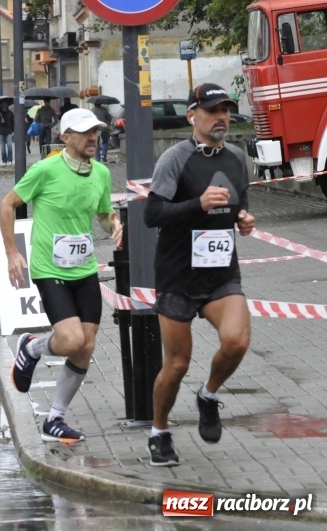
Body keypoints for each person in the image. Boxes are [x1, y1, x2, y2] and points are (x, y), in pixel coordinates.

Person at [143, 83, 255, 467]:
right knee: (176, 364)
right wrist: (197, 204)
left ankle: (208, 396)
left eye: (225, 110)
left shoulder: (239, 158)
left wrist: (243, 219)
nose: (220, 117)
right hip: (178, 276)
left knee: (237, 341)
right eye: (211, 110)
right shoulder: (175, 159)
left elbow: (240, 204)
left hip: (221, 275)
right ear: (193, 115)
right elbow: (152, 215)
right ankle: (159, 431)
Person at [0, 108, 122, 443]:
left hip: (83, 268)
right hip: (49, 268)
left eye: (96, 132)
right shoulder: (45, 170)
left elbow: (102, 212)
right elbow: (8, 204)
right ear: (65, 138)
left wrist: (113, 223)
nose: (93, 138)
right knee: (70, 341)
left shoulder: (100, 173)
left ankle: (55, 418)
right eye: (85, 133)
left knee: (86, 346)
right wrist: (13, 253)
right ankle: (32, 347)